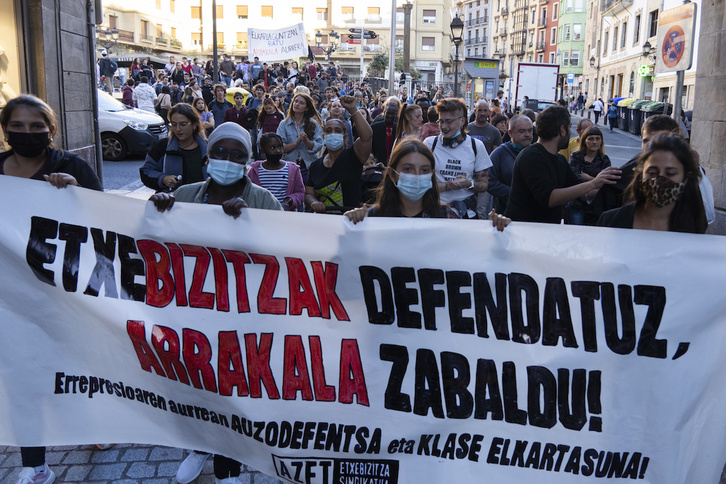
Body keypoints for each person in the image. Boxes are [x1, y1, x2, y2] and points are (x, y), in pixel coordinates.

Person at [149, 123, 281, 484]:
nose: (227, 160)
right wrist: (156, 211)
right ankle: (197, 448)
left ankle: (228, 467)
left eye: (237, 155)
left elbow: (285, 254)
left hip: (241, 314)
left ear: (247, 162)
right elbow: (148, 243)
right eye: (220, 152)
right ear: (208, 157)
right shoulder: (188, 195)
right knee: (193, 386)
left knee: (231, 393)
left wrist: (250, 225)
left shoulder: (263, 201)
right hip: (191, 312)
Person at [1, 95, 103, 484]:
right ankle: (35, 464)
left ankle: (93, 427)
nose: (27, 134)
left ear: (51, 131)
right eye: (19, 127)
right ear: (6, 130)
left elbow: (105, 221)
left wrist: (76, 192)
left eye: (36, 127)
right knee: (21, 376)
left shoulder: (69, 166)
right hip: (10, 298)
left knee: (75, 367)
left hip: (62, 291)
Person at [344, 139, 510, 230]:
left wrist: (494, 231)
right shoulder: (372, 218)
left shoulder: (448, 217)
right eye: (408, 169)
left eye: (424, 170)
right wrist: (350, 224)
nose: (417, 176)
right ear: (393, 175)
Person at [504, 105, 620, 224]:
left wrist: (612, 186)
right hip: (524, 233)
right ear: (562, 130)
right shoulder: (531, 157)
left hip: (545, 233)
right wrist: (594, 183)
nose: (571, 133)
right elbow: (549, 198)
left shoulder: (559, 159)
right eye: (570, 128)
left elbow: (581, 191)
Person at [597, 133, 706, 233]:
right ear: (641, 174)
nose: (660, 180)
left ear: (685, 178)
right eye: (652, 172)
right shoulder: (611, 221)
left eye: (670, 173)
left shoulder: (694, 223)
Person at [423, 98, 491, 219]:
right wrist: (449, 186)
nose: (444, 126)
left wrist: (468, 184)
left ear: (462, 121)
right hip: (435, 212)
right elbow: (421, 183)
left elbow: (484, 185)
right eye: (441, 121)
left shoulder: (476, 146)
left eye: (449, 122)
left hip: (466, 214)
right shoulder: (429, 144)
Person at [305, 95, 372, 212]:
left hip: (351, 219)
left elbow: (367, 137)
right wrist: (314, 202)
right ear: (323, 136)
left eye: (338, 130)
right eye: (329, 131)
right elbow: (308, 193)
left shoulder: (354, 156)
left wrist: (353, 109)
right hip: (325, 221)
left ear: (344, 136)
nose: (333, 133)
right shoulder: (315, 165)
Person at [140, 103, 207, 192]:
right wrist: (163, 179)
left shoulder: (209, 148)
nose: (178, 129)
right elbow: (146, 171)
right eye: (174, 124)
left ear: (194, 125)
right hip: (172, 202)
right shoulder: (162, 146)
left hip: (202, 203)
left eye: (183, 124)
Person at [487, 114, 534, 213]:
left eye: (530, 130)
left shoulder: (537, 153)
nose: (527, 134)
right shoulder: (499, 154)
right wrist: (515, 193)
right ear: (510, 133)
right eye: (522, 131)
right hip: (505, 215)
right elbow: (490, 182)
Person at [247, 132, 305, 211]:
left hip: (284, 215)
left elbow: (300, 192)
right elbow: (247, 193)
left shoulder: (293, 169)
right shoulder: (254, 171)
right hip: (261, 214)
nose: (278, 151)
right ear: (263, 151)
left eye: (280, 147)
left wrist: (291, 200)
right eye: (272, 148)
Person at [567, 126, 611, 225]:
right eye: (591, 139)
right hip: (577, 204)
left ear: (601, 141)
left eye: (597, 138)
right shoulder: (576, 157)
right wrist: (597, 180)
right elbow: (575, 180)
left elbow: (607, 183)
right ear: (584, 141)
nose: (594, 142)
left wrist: (588, 178)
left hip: (598, 205)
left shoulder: (604, 159)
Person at [277, 92, 324, 175]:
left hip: (308, 166)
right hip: (289, 166)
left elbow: (318, 145)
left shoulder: (313, 124)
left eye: (301, 103)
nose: (297, 104)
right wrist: (296, 143)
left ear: (306, 108)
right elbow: (280, 147)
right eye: (296, 101)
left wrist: (306, 141)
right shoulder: (284, 124)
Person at [370, 98, 400, 164]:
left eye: (392, 114)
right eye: (388, 113)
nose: (390, 116)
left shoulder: (399, 129)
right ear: (384, 112)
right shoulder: (375, 127)